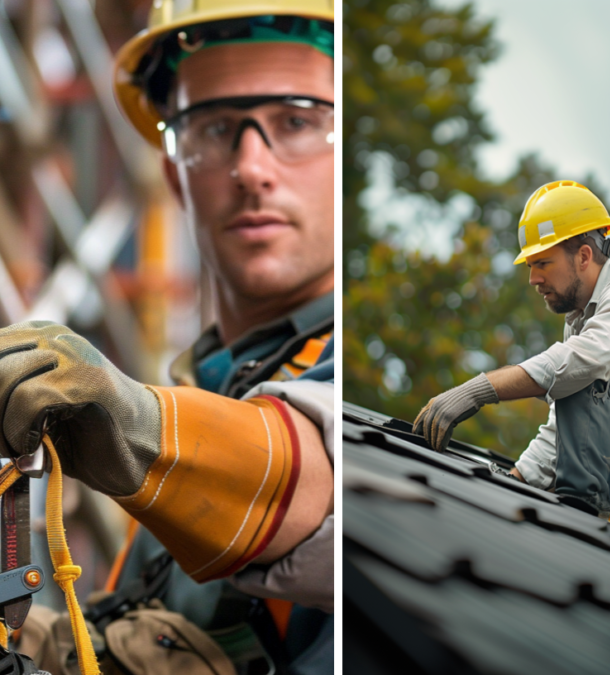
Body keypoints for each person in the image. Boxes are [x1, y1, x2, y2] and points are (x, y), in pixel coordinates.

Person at [3, 1, 335, 672]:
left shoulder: (339, 371)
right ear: (175, 175)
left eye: (297, 120)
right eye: (213, 127)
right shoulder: (203, 396)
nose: (251, 168)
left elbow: (322, 482)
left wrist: (136, 421)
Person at [413, 181, 610, 561]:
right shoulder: (581, 322)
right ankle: (574, 500)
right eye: (531, 266)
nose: (533, 279)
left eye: (543, 263)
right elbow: (563, 426)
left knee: (581, 368)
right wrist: (517, 483)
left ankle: (581, 509)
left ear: (584, 256)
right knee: (574, 378)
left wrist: (479, 389)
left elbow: (581, 365)